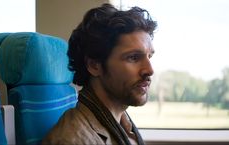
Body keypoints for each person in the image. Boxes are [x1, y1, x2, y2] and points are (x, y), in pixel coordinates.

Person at [42, 3, 157, 145]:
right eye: (133, 57)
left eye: (149, 56)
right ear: (94, 65)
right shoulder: (71, 140)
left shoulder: (122, 122)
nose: (149, 70)